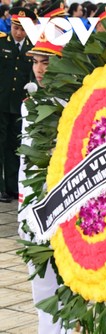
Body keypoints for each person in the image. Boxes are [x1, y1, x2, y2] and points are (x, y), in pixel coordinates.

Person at [19, 23, 68, 334]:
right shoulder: (29, 104)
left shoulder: (74, 106)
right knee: (42, 294)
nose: (39, 68)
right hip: (31, 209)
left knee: (68, 293)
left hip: (63, 209)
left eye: (46, 61)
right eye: (35, 61)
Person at [0, 7, 36, 204]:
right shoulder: (1, 43)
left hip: (19, 105)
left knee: (15, 146)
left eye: (22, 29)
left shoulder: (32, 46)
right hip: (1, 101)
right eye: (15, 27)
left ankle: (12, 187)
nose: (18, 32)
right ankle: (1, 188)